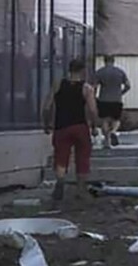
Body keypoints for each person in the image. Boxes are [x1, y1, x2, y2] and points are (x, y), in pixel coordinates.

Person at [42, 58, 98, 202]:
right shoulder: (87, 88)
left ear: (69, 69)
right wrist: (93, 127)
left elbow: (47, 106)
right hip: (80, 126)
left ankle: (60, 181)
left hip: (61, 127)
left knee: (61, 156)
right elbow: (92, 110)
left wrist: (46, 123)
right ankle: (81, 190)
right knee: (82, 157)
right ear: (82, 71)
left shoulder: (57, 84)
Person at [93, 55, 130, 148]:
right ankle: (113, 132)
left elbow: (94, 86)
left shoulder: (100, 72)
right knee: (116, 120)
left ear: (104, 61)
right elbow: (128, 85)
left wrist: (94, 96)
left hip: (103, 100)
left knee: (105, 120)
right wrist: (121, 93)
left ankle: (107, 141)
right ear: (113, 61)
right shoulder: (120, 72)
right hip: (116, 100)